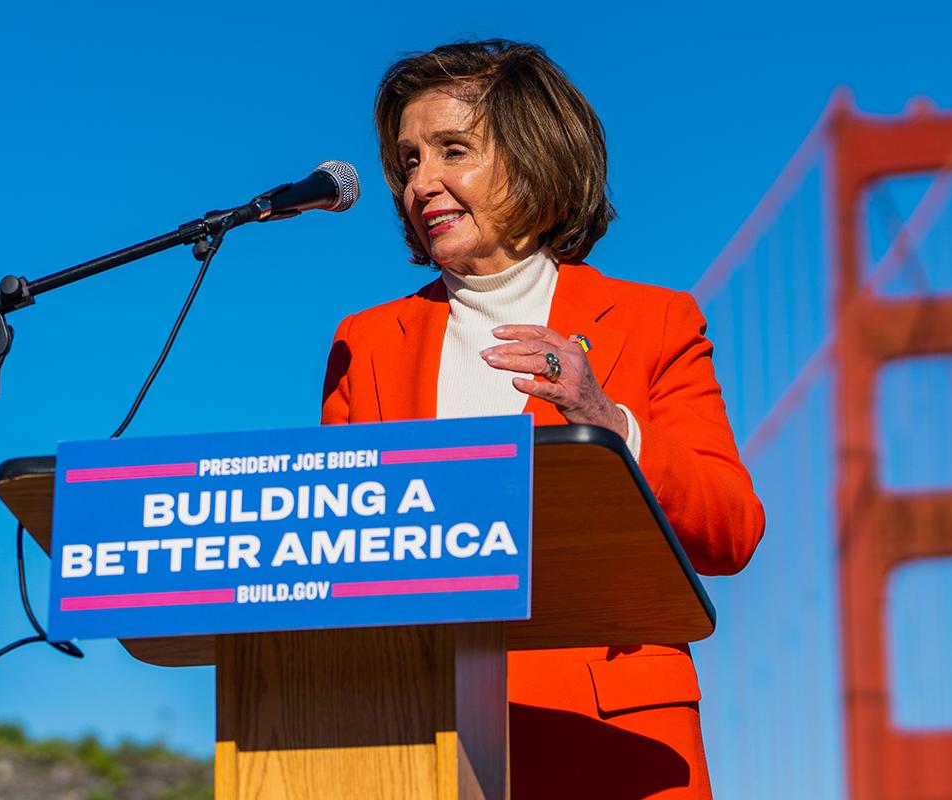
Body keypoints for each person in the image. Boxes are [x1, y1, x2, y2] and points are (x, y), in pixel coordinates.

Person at [322, 40, 766, 799]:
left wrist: (607, 421)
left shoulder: (655, 321)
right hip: (418, 739)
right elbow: (338, 554)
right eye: (409, 160)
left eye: (451, 151)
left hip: (609, 742)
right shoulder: (363, 343)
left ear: (535, 159)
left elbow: (731, 531)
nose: (420, 183)